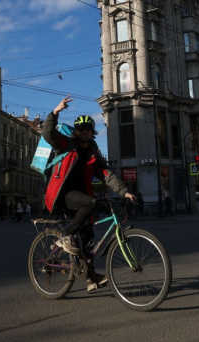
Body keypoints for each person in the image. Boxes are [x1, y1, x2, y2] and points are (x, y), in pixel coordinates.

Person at [42, 95, 135, 292]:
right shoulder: (66, 144)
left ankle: (91, 278)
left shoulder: (93, 150)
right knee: (91, 203)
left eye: (88, 129)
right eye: (81, 129)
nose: (85, 132)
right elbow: (48, 135)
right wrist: (55, 112)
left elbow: (105, 173)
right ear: (77, 131)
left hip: (81, 197)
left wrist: (124, 192)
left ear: (92, 132)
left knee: (88, 238)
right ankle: (66, 235)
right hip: (64, 193)